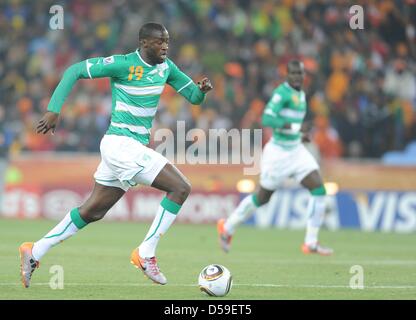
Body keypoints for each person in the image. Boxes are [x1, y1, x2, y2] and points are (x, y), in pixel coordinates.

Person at [19, 22, 213, 288]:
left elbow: (191, 96)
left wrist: (201, 91)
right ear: (144, 43)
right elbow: (74, 70)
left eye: (167, 41)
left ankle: (35, 251)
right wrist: (54, 109)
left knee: (93, 211)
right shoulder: (122, 64)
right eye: (159, 41)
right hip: (121, 145)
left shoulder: (167, 68)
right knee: (180, 187)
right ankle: (146, 252)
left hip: (127, 148)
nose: (165, 46)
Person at [217, 60, 333, 256]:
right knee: (262, 197)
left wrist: (299, 135)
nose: (297, 77)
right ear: (286, 76)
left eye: (300, 74)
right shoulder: (282, 93)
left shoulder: (301, 94)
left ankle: (311, 242)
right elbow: (267, 119)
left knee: (319, 189)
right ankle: (228, 226)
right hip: (278, 154)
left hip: (296, 150)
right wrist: (295, 128)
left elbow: (291, 123)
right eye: (293, 74)